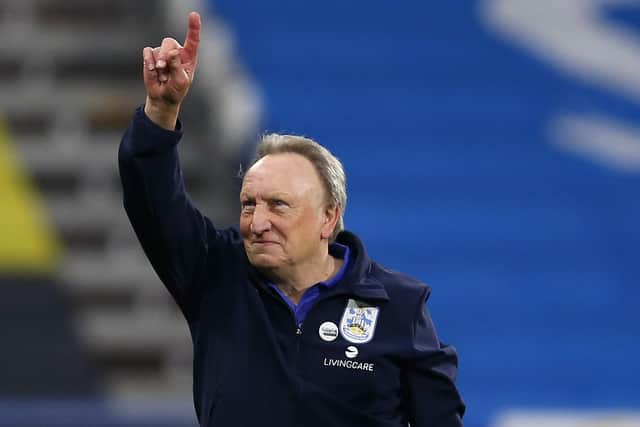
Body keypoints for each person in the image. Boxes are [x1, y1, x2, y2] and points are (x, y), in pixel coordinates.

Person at [118, 11, 465, 427]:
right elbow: (150, 197)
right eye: (249, 204)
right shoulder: (214, 273)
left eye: (278, 205)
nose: (257, 221)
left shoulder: (398, 307)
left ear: (328, 218)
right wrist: (162, 108)